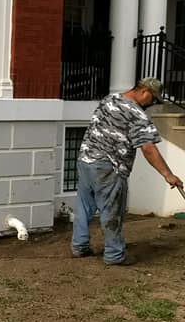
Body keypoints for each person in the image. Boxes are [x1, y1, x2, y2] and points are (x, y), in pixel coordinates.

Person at [71, 77, 183, 266]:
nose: (152, 104)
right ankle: (114, 255)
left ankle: (79, 246)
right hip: (109, 167)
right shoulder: (136, 114)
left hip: (85, 160)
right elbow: (148, 148)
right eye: (153, 100)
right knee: (112, 211)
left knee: (84, 205)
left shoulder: (109, 99)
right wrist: (167, 174)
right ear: (145, 92)